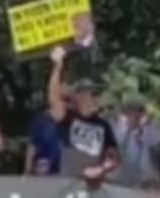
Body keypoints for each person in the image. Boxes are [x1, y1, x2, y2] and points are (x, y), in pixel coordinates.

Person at [48, 46, 119, 183]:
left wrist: (102, 168)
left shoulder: (103, 125)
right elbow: (53, 98)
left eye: (97, 94)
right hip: (67, 183)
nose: (96, 98)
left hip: (94, 187)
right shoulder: (68, 118)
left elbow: (114, 158)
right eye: (92, 94)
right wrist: (57, 67)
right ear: (79, 96)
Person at [113, 95, 160, 188]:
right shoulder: (117, 128)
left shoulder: (150, 130)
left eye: (140, 110)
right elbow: (116, 148)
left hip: (142, 184)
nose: (136, 114)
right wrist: (129, 129)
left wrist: (143, 129)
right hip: (117, 182)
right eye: (131, 110)